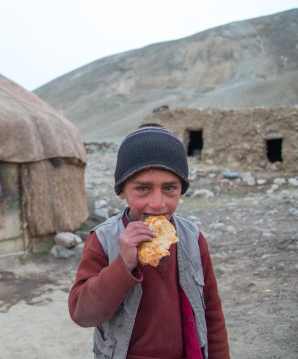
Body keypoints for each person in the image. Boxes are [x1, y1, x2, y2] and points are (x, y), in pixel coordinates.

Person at [68, 123, 230, 359]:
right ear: (122, 189)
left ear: (181, 190)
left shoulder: (192, 238)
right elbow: (82, 314)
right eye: (143, 188)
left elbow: (212, 312)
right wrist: (123, 265)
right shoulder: (104, 239)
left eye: (169, 188)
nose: (157, 203)